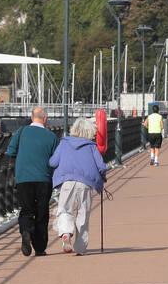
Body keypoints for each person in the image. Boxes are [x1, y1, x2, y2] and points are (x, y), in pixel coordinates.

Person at [48, 117, 107, 254]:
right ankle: (80, 247)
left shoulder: (64, 143)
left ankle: (66, 232)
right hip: (86, 182)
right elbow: (101, 166)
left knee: (64, 209)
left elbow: (53, 162)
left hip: (67, 181)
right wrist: (102, 178)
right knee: (83, 213)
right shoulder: (91, 146)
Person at [6, 106, 59, 256]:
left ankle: (26, 232)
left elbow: (10, 151)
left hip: (24, 178)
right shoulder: (51, 137)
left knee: (27, 210)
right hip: (43, 179)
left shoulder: (21, 132)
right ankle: (40, 248)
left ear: (32, 117)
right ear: (45, 119)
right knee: (42, 213)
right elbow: (56, 160)